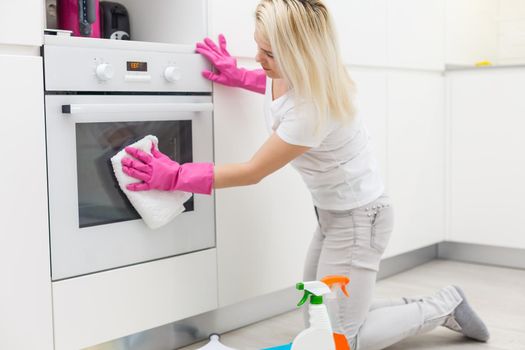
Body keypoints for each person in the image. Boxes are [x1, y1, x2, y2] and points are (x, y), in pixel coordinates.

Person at [121, 0, 490, 348]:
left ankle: (445, 304)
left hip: (361, 221)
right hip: (334, 214)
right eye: (258, 48)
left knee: (340, 340)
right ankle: (410, 306)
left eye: (269, 54)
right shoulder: (300, 73)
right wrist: (240, 76)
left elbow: (253, 171)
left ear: (301, 55)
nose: (260, 59)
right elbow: (275, 88)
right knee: (319, 315)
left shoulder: (313, 108)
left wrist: (175, 176)